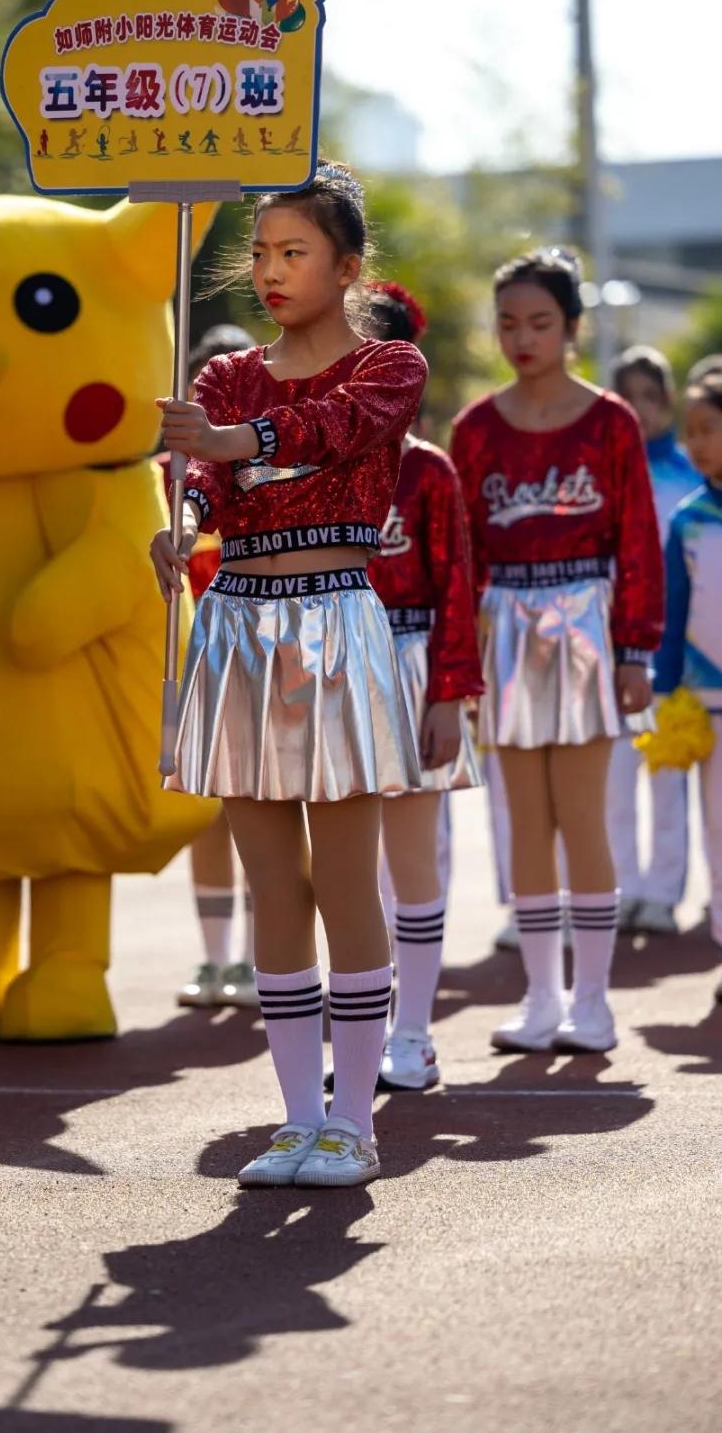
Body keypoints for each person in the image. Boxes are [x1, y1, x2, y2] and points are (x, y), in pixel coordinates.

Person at [152, 162, 427, 1188]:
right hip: (236, 626)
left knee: (346, 878)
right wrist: (179, 527)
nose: (269, 269)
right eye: (260, 252)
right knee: (274, 885)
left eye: (293, 252)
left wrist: (243, 440)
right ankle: (297, 1117)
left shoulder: (390, 365)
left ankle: (355, 1122)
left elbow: (337, 429)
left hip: (338, 625)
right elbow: (206, 483)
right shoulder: (224, 375)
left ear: (347, 266)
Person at [451, 247, 662, 1055]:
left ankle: (595, 1002)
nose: (522, 337)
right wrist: (459, 664)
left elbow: (637, 538)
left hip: (585, 619)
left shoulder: (611, 421)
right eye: (507, 323)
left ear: (572, 328)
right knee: (524, 824)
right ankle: (541, 995)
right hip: (505, 622)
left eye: (540, 322)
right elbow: (463, 555)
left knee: (584, 818)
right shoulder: (475, 428)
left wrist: (635, 648)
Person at [362, 284, 484, 1090]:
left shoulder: (429, 472)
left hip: (408, 667)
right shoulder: (306, 460)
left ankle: (413, 1035)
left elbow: (456, 590)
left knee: (411, 860)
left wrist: (448, 694)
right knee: (344, 868)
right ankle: (360, 1031)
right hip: (332, 668)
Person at [171, 324, 261, 1012]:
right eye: (202, 384)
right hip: (196, 661)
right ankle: (213, 960)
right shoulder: (164, 480)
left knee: (264, 808)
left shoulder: (262, 468)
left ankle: (268, 958)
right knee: (208, 814)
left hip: (262, 653)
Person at [608, 346, 702, 934]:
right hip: (615, 650)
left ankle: (665, 892)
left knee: (668, 778)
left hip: (679, 655)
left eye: (650, 397)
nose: (640, 411)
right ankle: (624, 887)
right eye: (627, 398)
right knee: (615, 779)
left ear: (666, 401)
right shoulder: (603, 470)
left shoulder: (692, 474)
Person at [653, 369, 722, 983]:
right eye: (690, 432)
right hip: (706, 706)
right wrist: (665, 687)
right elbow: (673, 612)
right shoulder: (687, 518)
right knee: (718, 828)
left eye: (709, 430)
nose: (696, 444)